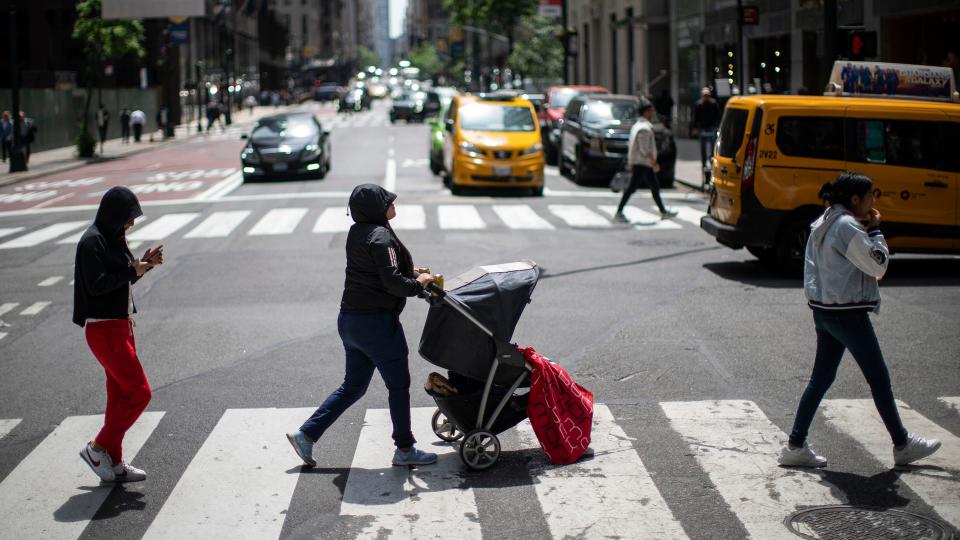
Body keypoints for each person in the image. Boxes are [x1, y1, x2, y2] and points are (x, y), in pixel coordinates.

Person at [779, 173, 941, 468]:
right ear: (855, 199)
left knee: (822, 378)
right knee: (878, 378)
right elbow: (877, 265)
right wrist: (877, 231)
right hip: (847, 314)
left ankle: (795, 445)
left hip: (825, 310)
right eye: (870, 197)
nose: (872, 203)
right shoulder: (847, 226)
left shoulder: (824, 220)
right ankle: (902, 444)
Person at [287, 184, 439, 468]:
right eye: (388, 201)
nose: (393, 204)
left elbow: (376, 271)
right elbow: (393, 283)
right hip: (377, 324)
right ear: (376, 208)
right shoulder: (382, 237)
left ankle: (306, 434)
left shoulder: (357, 233)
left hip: (350, 321)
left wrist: (411, 272)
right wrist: (418, 284)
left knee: (354, 386)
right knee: (398, 385)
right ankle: (405, 449)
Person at [74, 186, 164, 483]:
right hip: (104, 330)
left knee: (118, 397)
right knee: (140, 392)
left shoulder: (111, 238)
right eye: (128, 218)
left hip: (119, 327)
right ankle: (98, 448)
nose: (131, 224)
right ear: (114, 215)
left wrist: (143, 267)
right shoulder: (92, 242)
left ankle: (114, 462)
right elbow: (97, 285)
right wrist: (131, 270)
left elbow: (119, 285)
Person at [613, 98, 675, 222]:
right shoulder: (644, 128)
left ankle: (663, 211)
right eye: (651, 110)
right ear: (645, 112)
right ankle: (619, 212)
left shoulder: (638, 125)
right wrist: (654, 163)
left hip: (642, 162)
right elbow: (644, 150)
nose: (653, 113)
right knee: (632, 188)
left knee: (654, 187)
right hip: (642, 162)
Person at [692, 87, 721, 186]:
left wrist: (717, 126)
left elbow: (718, 115)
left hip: (711, 129)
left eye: (707, 95)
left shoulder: (713, 104)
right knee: (703, 153)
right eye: (705, 96)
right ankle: (705, 177)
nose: (706, 97)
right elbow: (695, 117)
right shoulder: (699, 104)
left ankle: (711, 169)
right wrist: (695, 128)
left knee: (712, 152)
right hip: (703, 129)